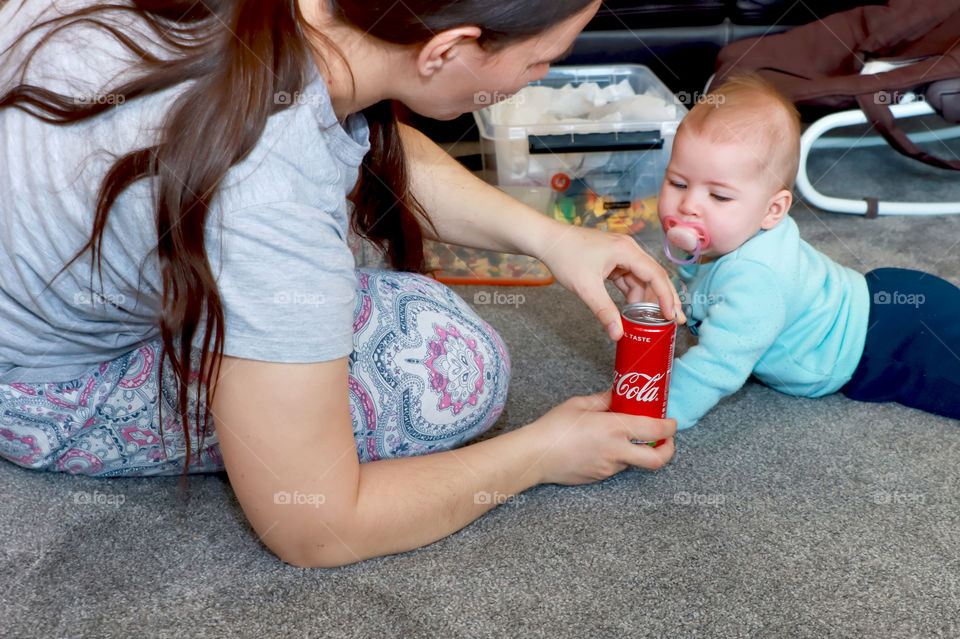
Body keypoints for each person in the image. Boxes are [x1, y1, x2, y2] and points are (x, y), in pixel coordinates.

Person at [0, 0, 684, 567]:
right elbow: (316, 527)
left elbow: (341, 135)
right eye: (542, 59)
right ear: (447, 49)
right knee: (450, 363)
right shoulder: (265, 192)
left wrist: (551, 237)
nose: (544, 75)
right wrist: (540, 453)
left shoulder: (297, 36)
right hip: (34, 385)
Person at [657, 74, 960, 430]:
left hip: (882, 345)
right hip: (882, 296)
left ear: (773, 210)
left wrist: (657, 411)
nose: (688, 206)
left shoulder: (756, 275)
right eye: (678, 183)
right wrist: (667, 296)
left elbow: (718, 363)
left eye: (719, 196)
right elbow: (698, 285)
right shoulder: (729, 234)